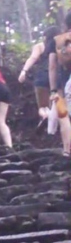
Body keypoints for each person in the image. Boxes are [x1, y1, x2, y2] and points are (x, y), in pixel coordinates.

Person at [46, 11, 71, 157]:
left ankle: (67, 150)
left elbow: (52, 66)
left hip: (65, 84)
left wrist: (53, 90)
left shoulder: (56, 41)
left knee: (63, 115)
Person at [18, 27, 57, 121]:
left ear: (45, 36)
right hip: (57, 77)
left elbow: (33, 57)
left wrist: (24, 71)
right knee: (56, 104)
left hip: (42, 77)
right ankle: (55, 119)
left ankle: (45, 116)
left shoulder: (40, 46)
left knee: (43, 107)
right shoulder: (60, 45)